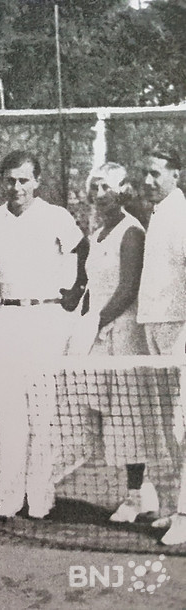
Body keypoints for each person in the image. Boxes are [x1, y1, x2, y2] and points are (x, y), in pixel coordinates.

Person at [0, 150, 88, 520]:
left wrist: (72, 296)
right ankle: (9, 496)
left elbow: (82, 254)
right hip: (6, 319)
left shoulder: (56, 216)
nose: (17, 187)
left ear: (37, 181)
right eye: (10, 180)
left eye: (24, 180)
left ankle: (40, 495)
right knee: (5, 414)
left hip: (45, 320)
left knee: (42, 414)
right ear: (3, 181)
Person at [69, 162, 159, 526]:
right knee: (105, 414)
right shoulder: (97, 234)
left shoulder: (132, 231)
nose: (99, 194)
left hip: (124, 334)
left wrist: (95, 322)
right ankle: (144, 491)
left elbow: (128, 289)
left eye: (106, 187)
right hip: (100, 332)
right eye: (95, 187)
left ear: (123, 191)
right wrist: (79, 313)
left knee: (129, 416)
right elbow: (92, 287)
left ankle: (135, 496)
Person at [132, 148, 186, 545]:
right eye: (145, 173)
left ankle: (185, 514)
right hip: (155, 324)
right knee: (168, 426)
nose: (148, 180)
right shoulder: (159, 213)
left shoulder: (180, 214)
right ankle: (173, 508)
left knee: (182, 425)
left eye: (156, 173)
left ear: (176, 175)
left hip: (179, 327)